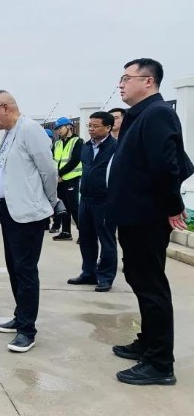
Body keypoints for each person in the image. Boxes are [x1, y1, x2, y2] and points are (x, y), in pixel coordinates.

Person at [106, 58, 193, 386]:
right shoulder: (138, 115)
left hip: (147, 216)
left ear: (148, 81)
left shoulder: (157, 113)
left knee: (151, 284)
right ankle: (148, 341)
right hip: (133, 215)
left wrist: (173, 206)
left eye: (127, 78)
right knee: (139, 278)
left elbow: (167, 166)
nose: (121, 84)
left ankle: (160, 363)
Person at [0, 90, 59, 353]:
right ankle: (20, 316)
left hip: (27, 213)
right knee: (14, 267)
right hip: (8, 211)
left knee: (26, 270)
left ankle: (27, 330)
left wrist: (49, 200)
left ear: (5, 108)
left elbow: (48, 170)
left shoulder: (29, 130)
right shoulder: (7, 134)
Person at [67, 111, 117, 292]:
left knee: (106, 240)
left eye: (96, 126)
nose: (91, 129)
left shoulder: (115, 148)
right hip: (86, 199)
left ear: (108, 128)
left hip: (104, 201)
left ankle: (105, 277)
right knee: (87, 238)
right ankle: (88, 272)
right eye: (90, 126)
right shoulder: (86, 147)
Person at [51, 117, 83, 241]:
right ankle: (66, 232)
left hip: (71, 179)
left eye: (61, 127)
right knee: (63, 207)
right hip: (59, 180)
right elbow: (51, 160)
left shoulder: (77, 141)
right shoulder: (57, 143)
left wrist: (60, 173)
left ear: (69, 127)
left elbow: (75, 160)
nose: (58, 130)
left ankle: (84, 233)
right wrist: (56, 175)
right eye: (57, 129)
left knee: (74, 207)